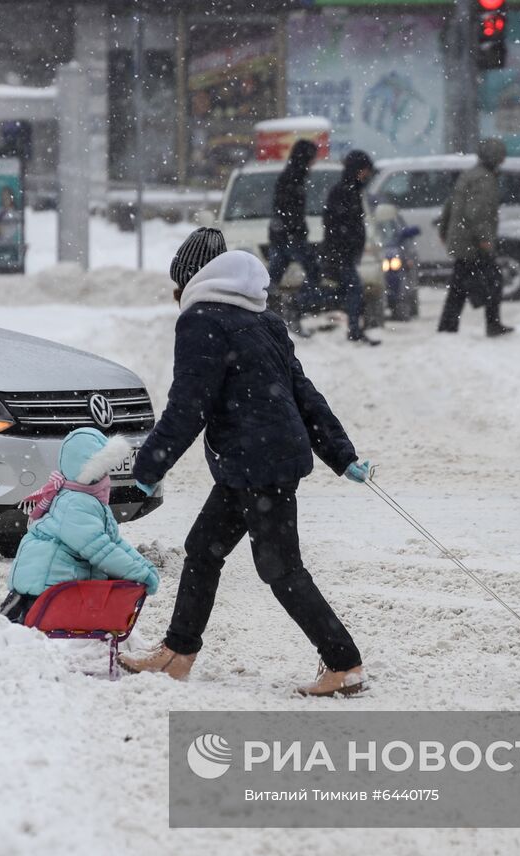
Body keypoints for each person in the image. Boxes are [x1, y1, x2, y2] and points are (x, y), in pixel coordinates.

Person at [119, 230, 373, 697]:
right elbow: (303, 394)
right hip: (256, 460)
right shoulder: (264, 319)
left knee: (281, 569)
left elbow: (189, 404)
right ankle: (178, 653)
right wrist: (343, 454)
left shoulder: (202, 321)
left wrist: (150, 465)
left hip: (256, 463)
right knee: (203, 549)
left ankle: (343, 662)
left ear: (190, 280)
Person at [0, 428, 159, 623]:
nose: (107, 477)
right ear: (89, 472)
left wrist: (145, 568)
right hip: (45, 591)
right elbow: (100, 550)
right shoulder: (76, 504)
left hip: (46, 587)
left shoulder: (84, 498)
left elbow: (114, 542)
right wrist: (141, 575)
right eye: (103, 470)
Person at [436, 138, 514, 337]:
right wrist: (484, 239)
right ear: (495, 157)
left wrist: (444, 230)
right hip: (472, 243)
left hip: (463, 239)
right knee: (494, 280)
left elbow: (450, 204)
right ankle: (493, 324)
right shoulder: (485, 180)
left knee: (459, 287)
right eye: (501, 155)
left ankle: (447, 327)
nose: (504, 159)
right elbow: (477, 213)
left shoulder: (469, 175)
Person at [320, 149, 379, 346]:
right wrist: (344, 246)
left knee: (346, 291)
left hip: (345, 252)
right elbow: (336, 224)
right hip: (342, 253)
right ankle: (354, 330)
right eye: (364, 171)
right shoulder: (344, 192)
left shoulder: (351, 191)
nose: (367, 175)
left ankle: (354, 328)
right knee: (352, 290)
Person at [266, 139, 323, 338]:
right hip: (290, 237)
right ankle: (294, 308)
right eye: (313, 157)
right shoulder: (294, 178)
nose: (314, 162)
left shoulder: (292, 176)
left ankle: (267, 314)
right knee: (314, 272)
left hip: (282, 236)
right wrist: (296, 231)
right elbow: (289, 211)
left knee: (271, 279)